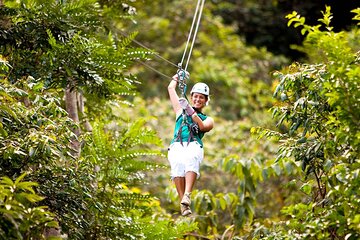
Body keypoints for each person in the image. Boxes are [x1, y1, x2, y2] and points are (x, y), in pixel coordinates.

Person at [167, 72, 214, 216]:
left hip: (193, 144)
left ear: (206, 101)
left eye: (201, 97)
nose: (198, 99)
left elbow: (202, 127)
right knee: (177, 169)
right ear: (192, 96)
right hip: (176, 144)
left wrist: (190, 111)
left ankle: (187, 194)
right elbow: (171, 88)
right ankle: (183, 203)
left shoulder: (207, 118)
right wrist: (177, 76)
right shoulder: (180, 111)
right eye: (195, 96)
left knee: (190, 160)